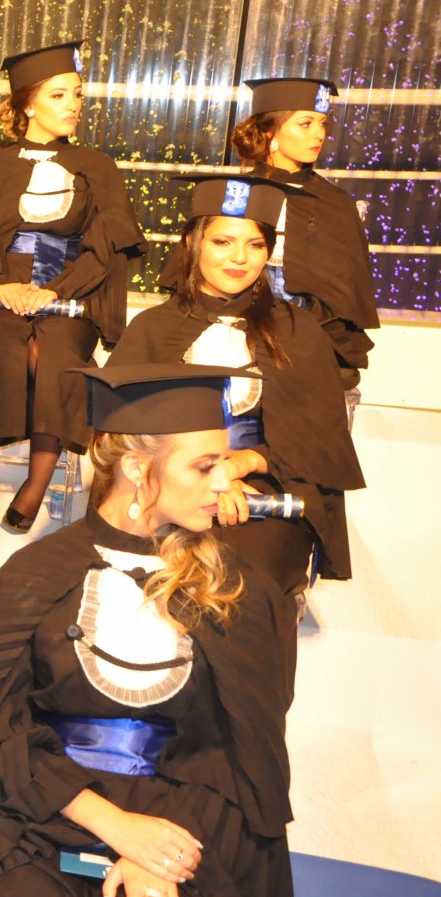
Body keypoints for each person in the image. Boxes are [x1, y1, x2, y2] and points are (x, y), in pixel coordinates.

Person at [0, 363, 297, 897]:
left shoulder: (241, 590)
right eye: (204, 467)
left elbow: (242, 754)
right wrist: (112, 825)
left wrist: (160, 850)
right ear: (136, 467)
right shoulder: (34, 574)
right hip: (38, 815)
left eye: (225, 463)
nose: (226, 483)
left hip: (182, 825)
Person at [0, 41, 144, 537]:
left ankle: (38, 480)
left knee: (57, 353)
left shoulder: (97, 167)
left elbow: (106, 249)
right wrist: (0, 285)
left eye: (77, 95)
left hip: (67, 295)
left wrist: (55, 292)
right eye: (58, 95)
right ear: (28, 104)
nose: (73, 105)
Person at [109, 173, 364, 596]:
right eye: (222, 242)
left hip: (269, 485)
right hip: (167, 484)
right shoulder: (152, 328)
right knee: (145, 575)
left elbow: (321, 442)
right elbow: (118, 433)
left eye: (256, 245)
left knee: (241, 576)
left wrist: (242, 464)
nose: (240, 258)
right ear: (193, 243)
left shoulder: (299, 330)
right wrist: (202, 477)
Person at [157, 77, 378, 388]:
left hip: (309, 331)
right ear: (270, 131)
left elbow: (344, 290)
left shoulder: (335, 203)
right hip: (231, 321)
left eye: (323, 124)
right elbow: (194, 270)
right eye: (305, 124)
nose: (319, 134)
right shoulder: (232, 194)